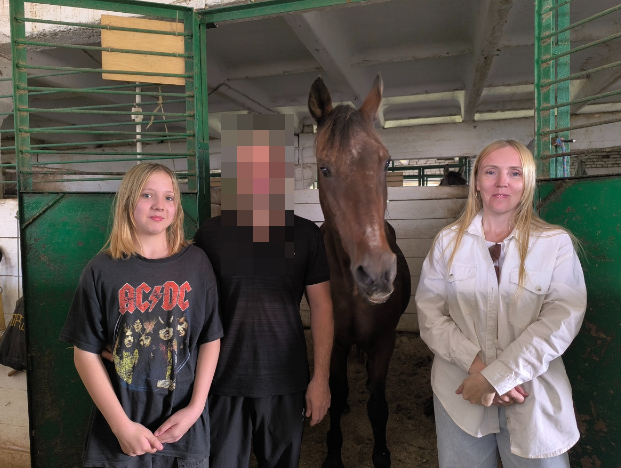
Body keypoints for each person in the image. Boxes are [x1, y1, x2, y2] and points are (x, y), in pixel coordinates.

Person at [415, 140, 587, 468]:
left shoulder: (555, 244)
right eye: (491, 172)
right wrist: (481, 372)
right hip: (461, 391)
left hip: (530, 391)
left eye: (515, 173)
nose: (502, 182)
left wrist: (501, 377)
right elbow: (429, 314)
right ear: (477, 182)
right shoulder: (447, 242)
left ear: (527, 183)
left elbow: (561, 320)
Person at [60, 163, 223, 468]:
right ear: (127, 202)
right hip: (120, 433)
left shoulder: (197, 263)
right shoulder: (101, 269)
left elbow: (210, 338)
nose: (160, 205)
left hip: (184, 431)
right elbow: (84, 354)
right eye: (147, 195)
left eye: (169, 197)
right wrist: (121, 426)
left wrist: (195, 409)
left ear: (176, 208)